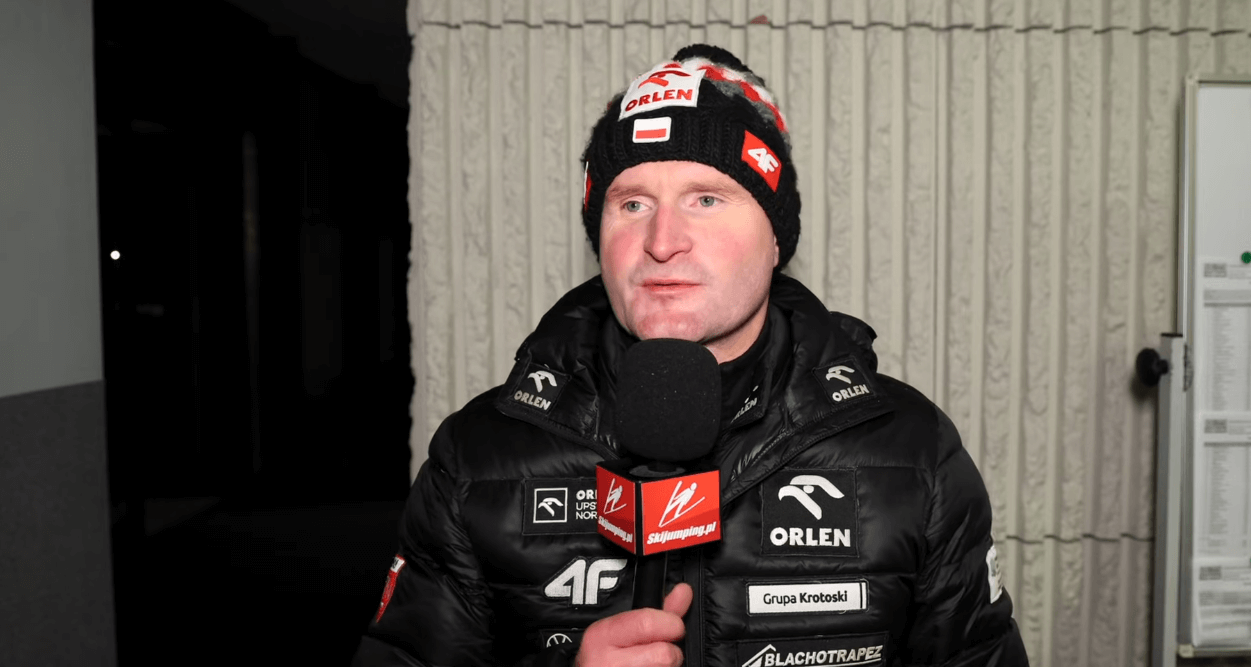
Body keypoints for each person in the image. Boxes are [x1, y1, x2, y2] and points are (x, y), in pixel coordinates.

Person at [352, 44, 1028, 667]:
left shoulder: (913, 452)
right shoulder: (477, 458)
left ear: (775, 239)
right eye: (631, 203)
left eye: (706, 198)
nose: (662, 239)